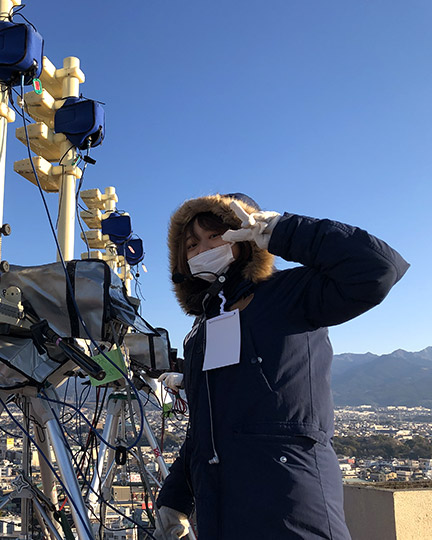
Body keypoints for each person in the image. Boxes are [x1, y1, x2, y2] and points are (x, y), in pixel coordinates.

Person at [153, 193, 409, 540]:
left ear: (244, 237)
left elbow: (378, 269)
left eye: (216, 235)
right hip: (221, 512)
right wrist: (175, 498)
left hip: (291, 504)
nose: (202, 249)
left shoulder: (290, 294)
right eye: (192, 244)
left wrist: (281, 230)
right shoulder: (203, 328)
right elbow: (205, 429)